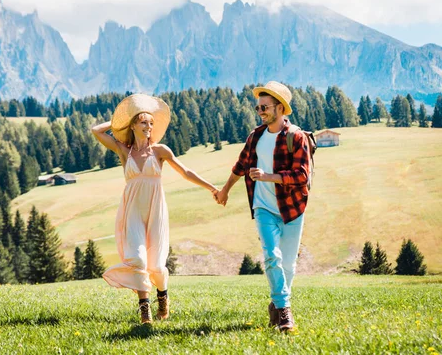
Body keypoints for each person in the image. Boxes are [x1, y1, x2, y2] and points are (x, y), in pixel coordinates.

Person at [91, 93, 220, 324]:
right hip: (131, 211)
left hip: (155, 210)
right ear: (134, 125)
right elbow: (96, 131)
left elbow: (186, 172)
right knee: (138, 260)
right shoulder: (124, 151)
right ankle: (144, 309)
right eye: (143, 122)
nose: (149, 126)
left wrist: (212, 188)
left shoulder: (160, 151)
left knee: (156, 263)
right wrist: (119, 121)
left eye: (151, 123)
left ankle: (162, 296)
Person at [215, 81, 311, 332]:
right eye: (258, 107)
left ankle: (276, 305)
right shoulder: (255, 136)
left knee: (288, 264)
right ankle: (284, 311)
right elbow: (240, 165)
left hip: (292, 208)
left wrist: (268, 176)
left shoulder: (296, 137)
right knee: (271, 256)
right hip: (263, 207)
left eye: (265, 107)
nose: (260, 111)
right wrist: (225, 189)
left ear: (280, 108)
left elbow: (302, 176)